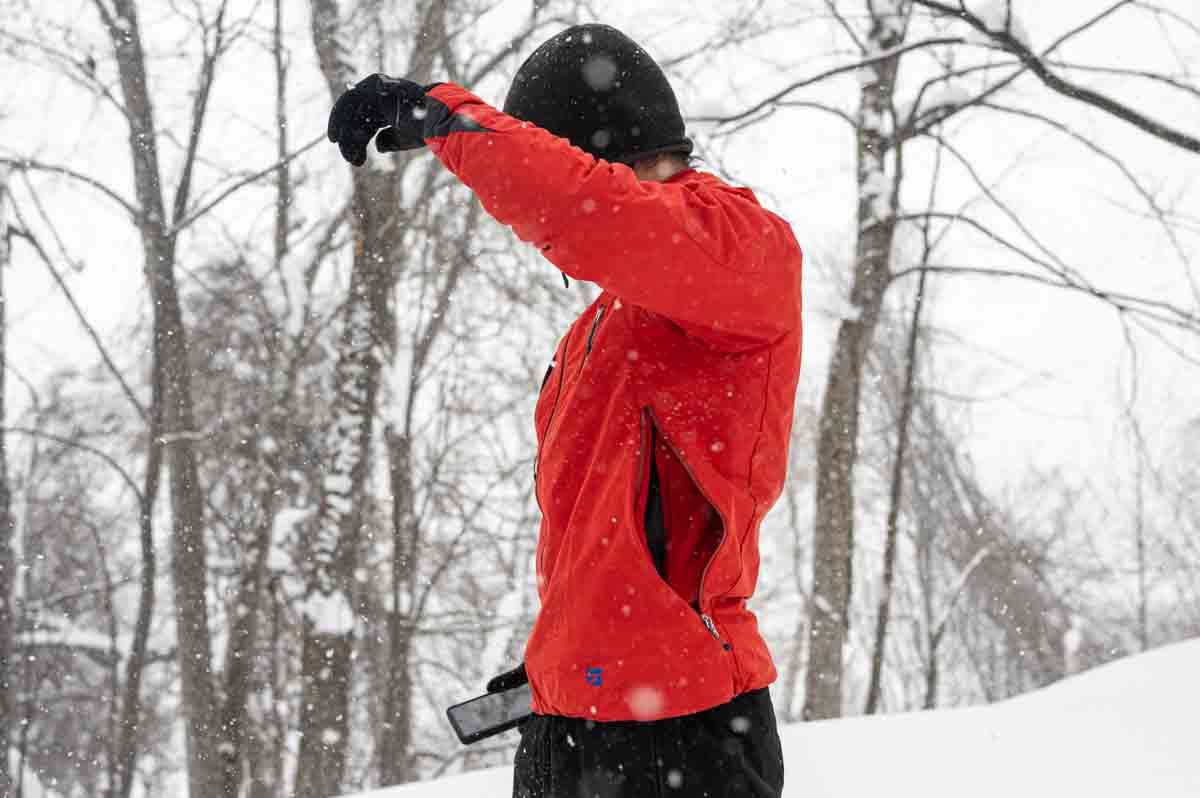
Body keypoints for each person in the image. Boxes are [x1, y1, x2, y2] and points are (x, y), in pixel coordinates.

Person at [328, 23, 802, 798]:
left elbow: (588, 210)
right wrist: (560, 648)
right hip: (573, 722)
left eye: (549, 163)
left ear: (593, 153)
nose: (532, 236)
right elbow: (602, 529)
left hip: (679, 729)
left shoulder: (742, 250)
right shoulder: (603, 327)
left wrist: (446, 119)